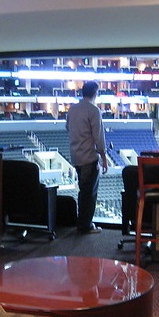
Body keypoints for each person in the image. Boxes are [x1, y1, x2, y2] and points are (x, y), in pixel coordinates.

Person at [66, 81, 108, 234]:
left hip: (76, 156)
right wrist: (104, 158)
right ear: (95, 93)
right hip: (89, 158)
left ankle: (82, 223)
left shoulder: (72, 109)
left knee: (83, 190)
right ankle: (85, 225)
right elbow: (98, 137)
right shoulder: (94, 110)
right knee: (89, 193)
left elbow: (67, 128)